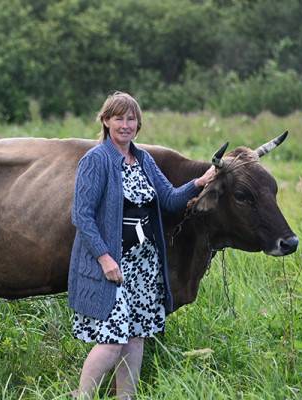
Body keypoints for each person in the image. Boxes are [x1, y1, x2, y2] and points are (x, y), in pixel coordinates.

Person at [67, 91, 215, 399]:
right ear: (106, 121)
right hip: (113, 265)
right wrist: (105, 258)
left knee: (136, 338)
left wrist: (200, 181)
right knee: (111, 342)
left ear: (138, 123)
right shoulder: (96, 160)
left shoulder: (143, 159)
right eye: (118, 118)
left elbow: (170, 200)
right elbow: (81, 215)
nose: (125, 124)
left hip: (144, 266)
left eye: (131, 118)